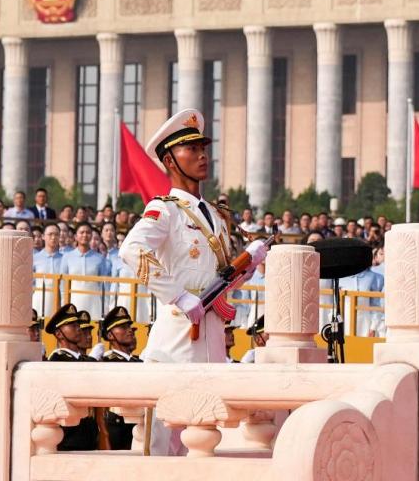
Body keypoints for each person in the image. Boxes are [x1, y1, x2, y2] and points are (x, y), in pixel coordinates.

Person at [117, 108, 266, 454]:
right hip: (177, 337)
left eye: (204, 148)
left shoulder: (215, 214)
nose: (202, 156)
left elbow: (220, 279)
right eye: (192, 150)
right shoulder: (164, 209)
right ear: (170, 160)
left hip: (212, 337)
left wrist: (249, 265)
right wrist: (178, 296)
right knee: (162, 443)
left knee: (203, 441)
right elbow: (131, 250)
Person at [44, 304, 100, 451]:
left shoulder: (86, 360)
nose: (78, 328)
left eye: (77, 324)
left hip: (88, 432)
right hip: (68, 435)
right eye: (71, 325)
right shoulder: (57, 360)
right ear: (59, 333)